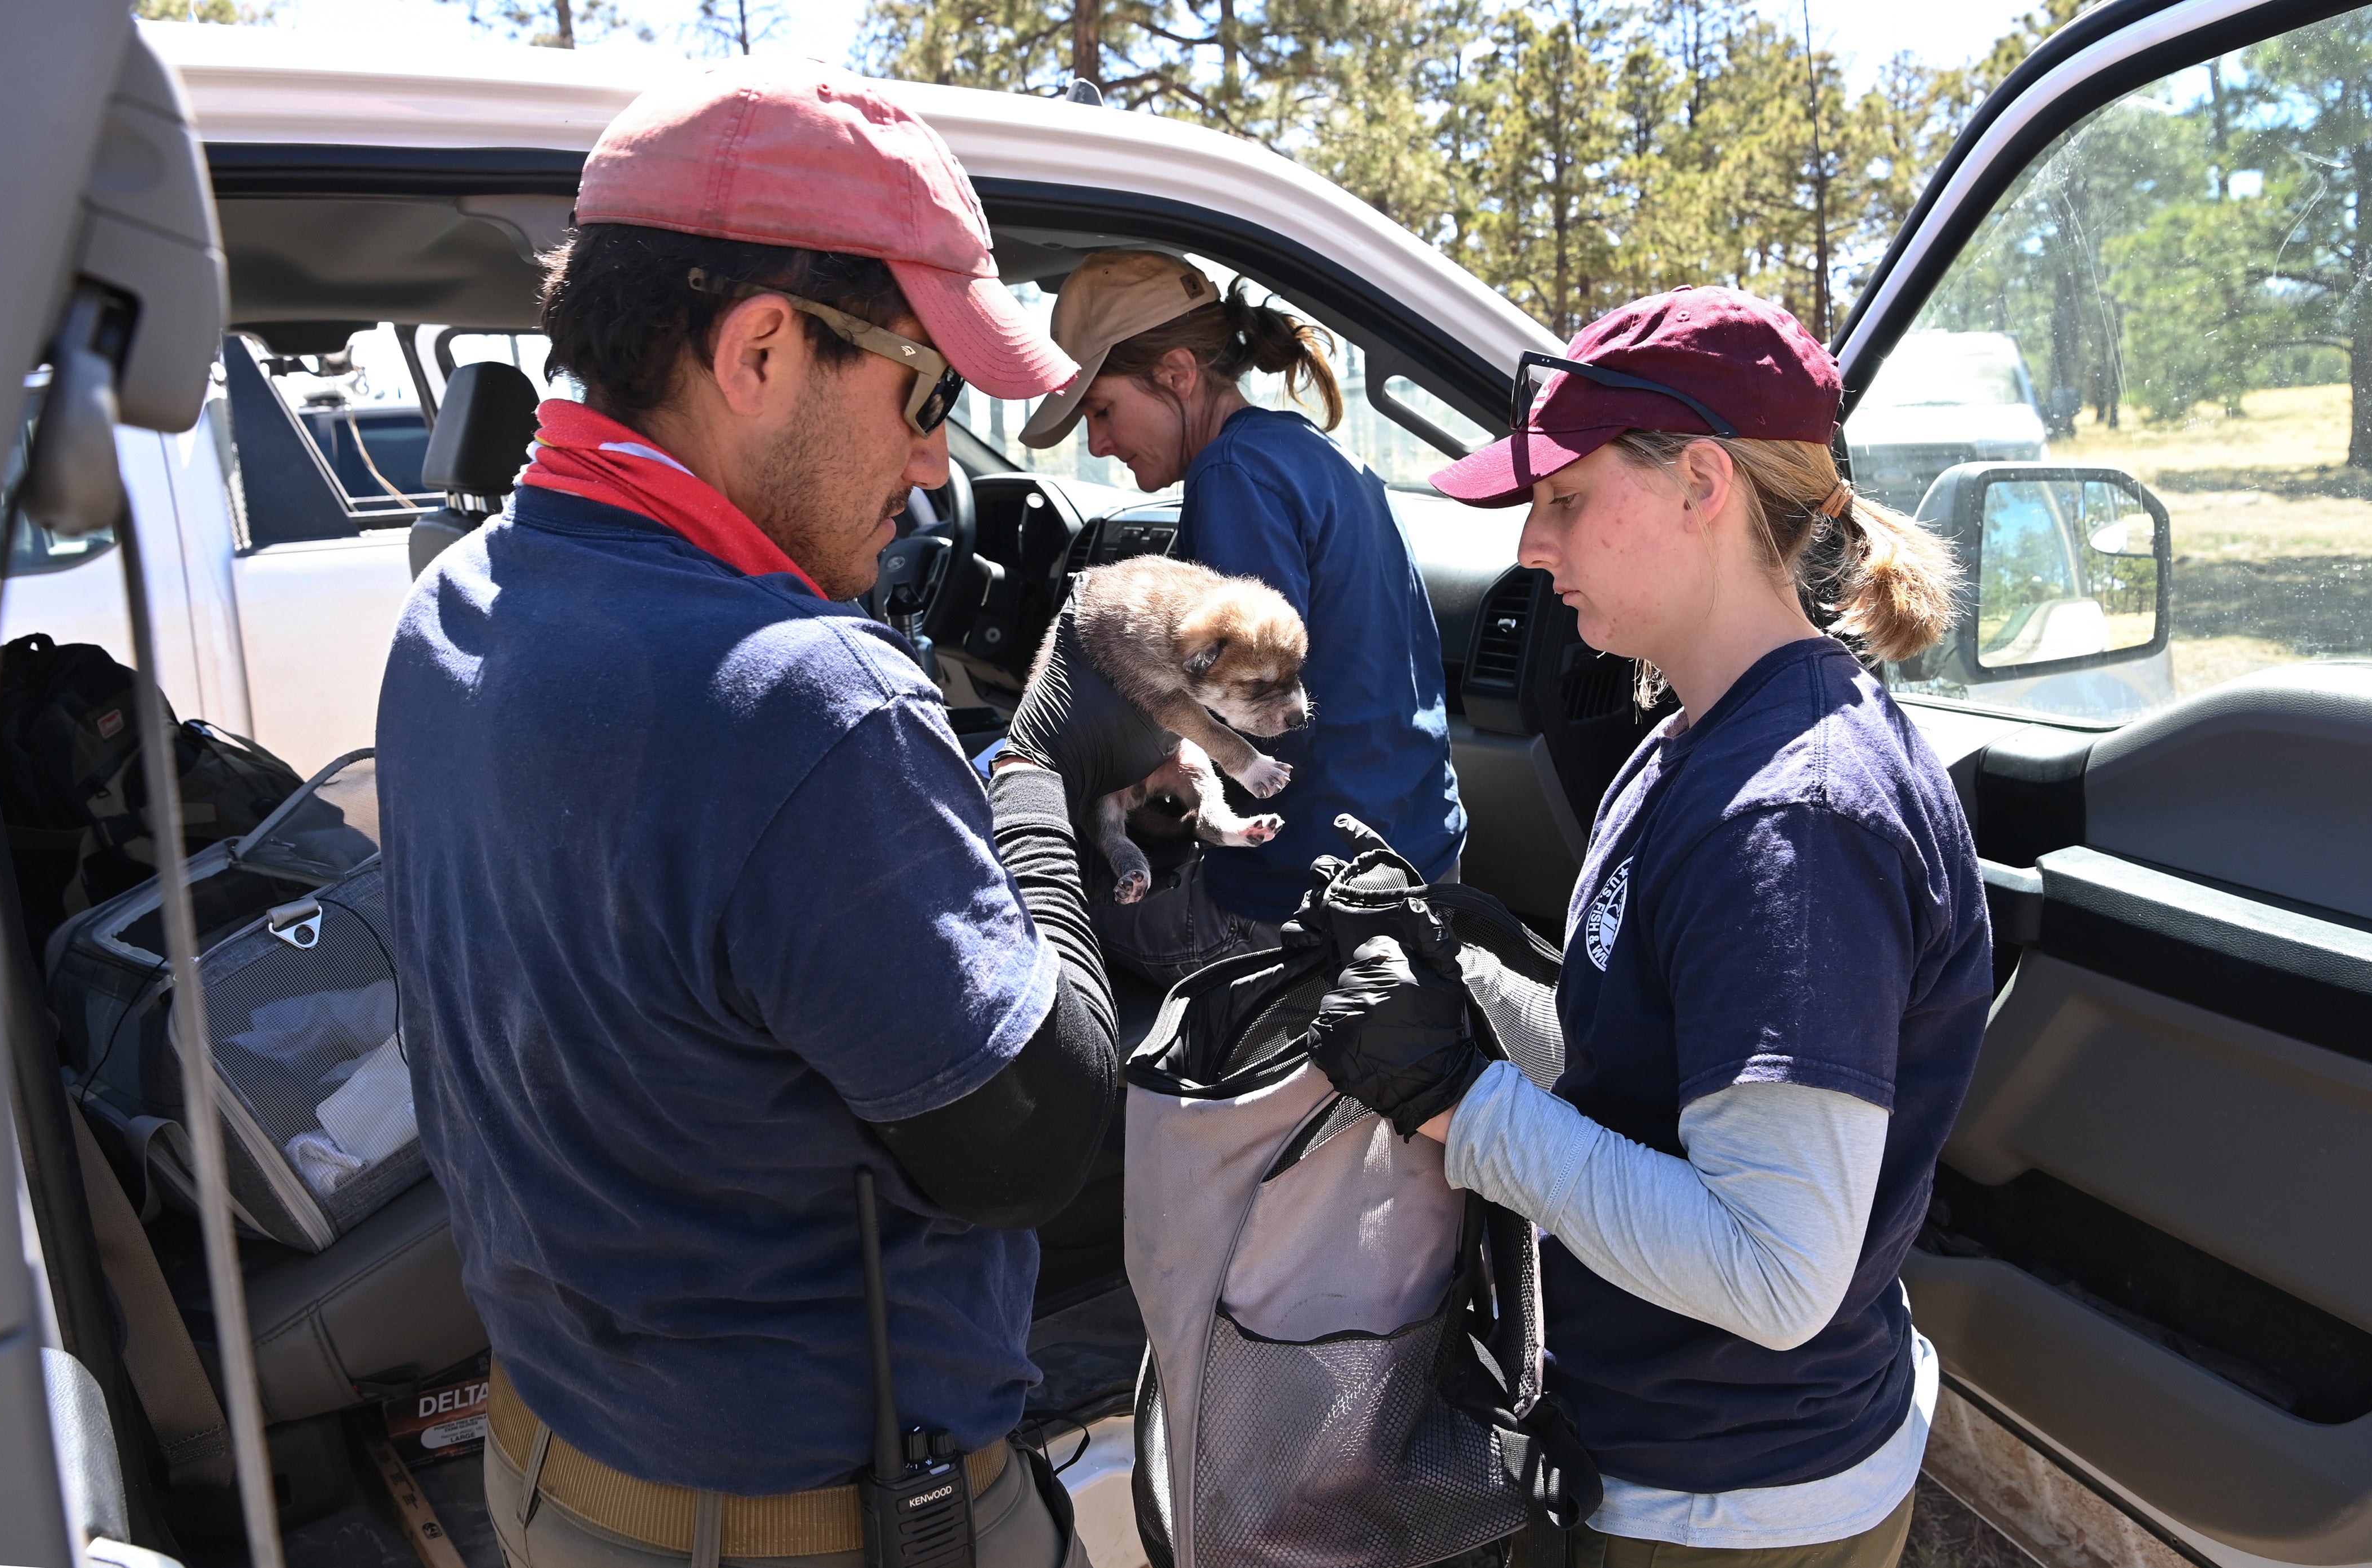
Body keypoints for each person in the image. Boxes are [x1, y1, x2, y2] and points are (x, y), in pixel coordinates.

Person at [376, 61, 1149, 1568]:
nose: (938, 463)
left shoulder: (461, 606)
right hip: (815, 1523)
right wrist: (1045, 768)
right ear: (758, 351)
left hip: (558, 1467)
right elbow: (1028, 1141)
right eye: (925, 392)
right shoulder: (801, 704)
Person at [1305, 287, 1993, 1568]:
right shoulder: (1686, 743)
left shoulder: (1795, 822)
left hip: (1739, 1500)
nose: (1531, 544)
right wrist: (1464, 971)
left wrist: (1458, 1103)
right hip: (1659, 1447)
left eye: (1565, 496)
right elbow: (1635, 1074)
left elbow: (1774, 1271)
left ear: (1702, 482)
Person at [1017, 251, 1464, 984]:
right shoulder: (1300, 454)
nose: (1097, 444)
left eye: (1102, 411)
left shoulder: (1232, 481)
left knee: (1056, 915)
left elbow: (1257, 705)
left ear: (1178, 375)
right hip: (1420, 847)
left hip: (1291, 902)